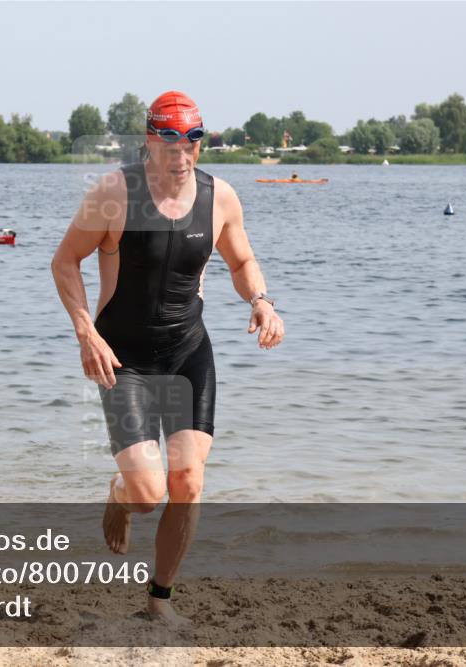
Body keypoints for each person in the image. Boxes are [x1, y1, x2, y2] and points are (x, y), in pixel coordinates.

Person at [51, 91, 284, 624]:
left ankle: (160, 600)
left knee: (189, 482)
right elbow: (65, 262)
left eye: (193, 142)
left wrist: (262, 301)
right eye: (170, 143)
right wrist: (86, 332)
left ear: (201, 143)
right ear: (150, 141)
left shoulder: (220, 198)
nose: (182, 156)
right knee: (148, 493)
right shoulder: (114, 193)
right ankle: (120, 491)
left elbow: (242, 258)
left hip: (186, 354)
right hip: (123, 357)